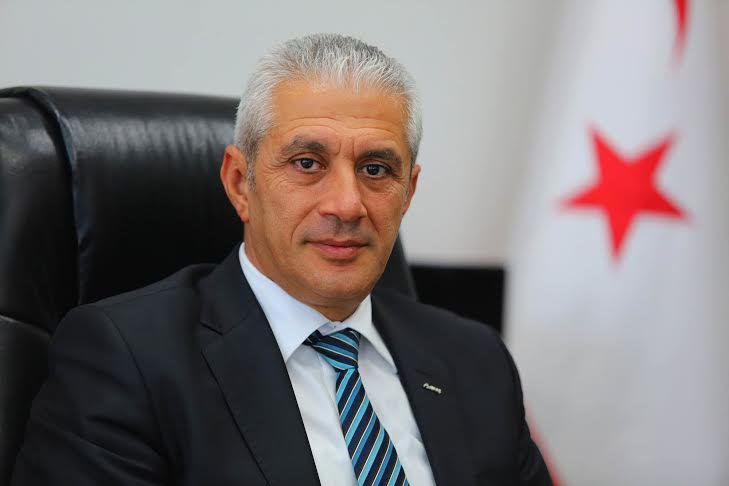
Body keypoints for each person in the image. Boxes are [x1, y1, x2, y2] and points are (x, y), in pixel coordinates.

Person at [11, 34, 552, 486]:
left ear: (408, 192)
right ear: (239, 183)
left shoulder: (474, 360)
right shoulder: (126, 360)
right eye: (307, 163)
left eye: (375, 170)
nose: (347, 205)